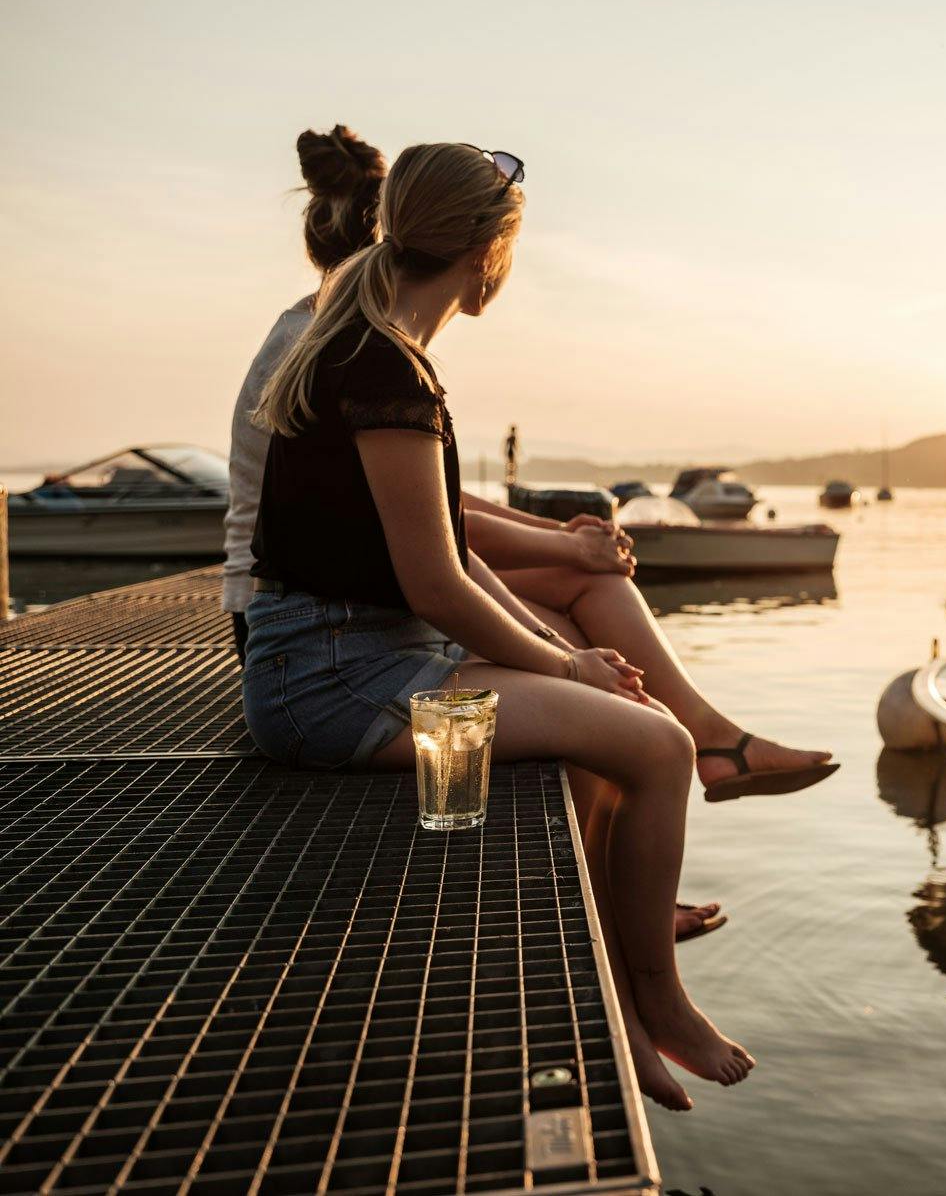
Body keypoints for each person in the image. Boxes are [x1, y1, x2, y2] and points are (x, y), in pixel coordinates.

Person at [243, 142, 748, 1110]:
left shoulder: (371, 348)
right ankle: (659, 1002)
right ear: (489, 255)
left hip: (352, 664)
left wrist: (568, 659)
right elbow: (436, 585)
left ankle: (618, 1003)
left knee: (609, 743)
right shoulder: (385, 370)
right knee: (661, 747)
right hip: (337, 692)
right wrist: (568, 668)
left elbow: (456, 558)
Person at [225, 127, 835, 804]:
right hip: (330, 647)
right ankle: (691, 761)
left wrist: (561, 610)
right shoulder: (363, 357)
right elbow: (435, 564)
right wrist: (565, 654)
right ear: (484, 253)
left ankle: (707, 746)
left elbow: (438, 529)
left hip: (351, 627)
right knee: (630, 711)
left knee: (598, 641)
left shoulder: (361, 343)